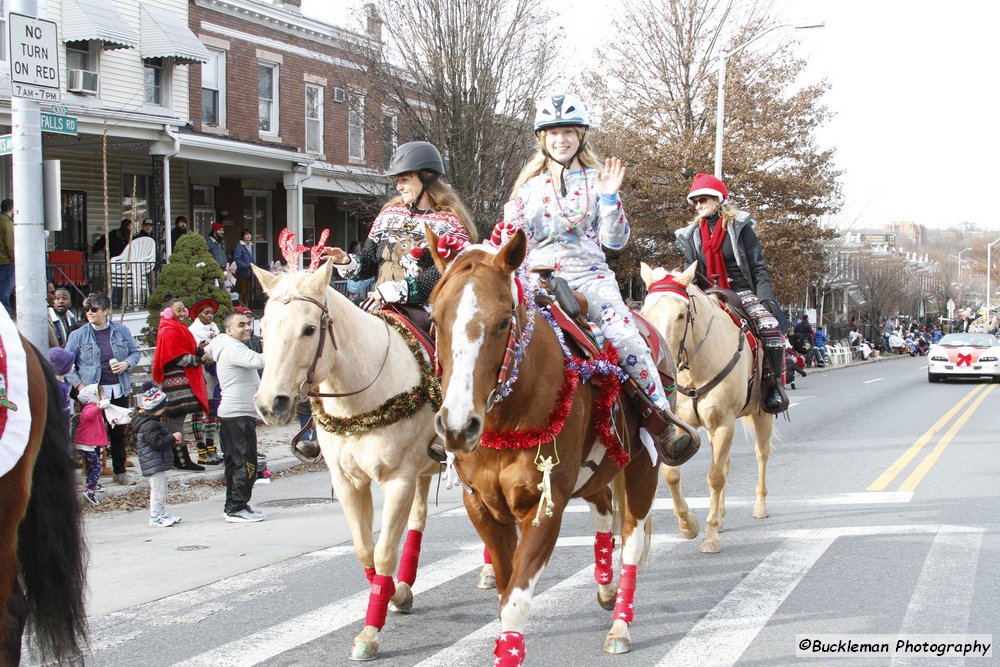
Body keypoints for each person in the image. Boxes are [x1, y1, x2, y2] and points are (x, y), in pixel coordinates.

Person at [502, 92, 697, 463]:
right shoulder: (526, 191)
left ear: (581, 136)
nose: (562, 139)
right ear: (542, 139)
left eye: (569, 132)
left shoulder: (597, 181)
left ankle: (662, 423)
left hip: (590, 278)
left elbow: (615, 241)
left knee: (627, 339)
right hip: (536, 282)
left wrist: (610, 199)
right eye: (554, 132)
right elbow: (515, 245)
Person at [675, 172, 790, 413]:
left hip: (740, 290)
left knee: (769, 326)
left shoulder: (739, 227)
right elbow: (691, 271)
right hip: (707, 293)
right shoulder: (691, 235)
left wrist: (765, 296)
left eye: (704, 199)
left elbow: (757, 265)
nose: (699, 205)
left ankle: (773, 385)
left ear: (718, 199)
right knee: (678, 325)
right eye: (695, 202)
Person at [322, 141, 477, 309]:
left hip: (427, 313)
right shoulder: (388, 215)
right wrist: (346, 261)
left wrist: (402, 290)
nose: (398, 187)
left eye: (404, 180)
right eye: (397, 180)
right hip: (379, 306)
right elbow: (368, 260)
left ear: (427, 178)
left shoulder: (450, 223)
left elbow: (448, 269)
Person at [64, 292, 140, 486]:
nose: (89, 313)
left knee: (118, 431)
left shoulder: (121, 331)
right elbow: (67, 364)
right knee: (92, 435)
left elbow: (135, 352)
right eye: (86, 309)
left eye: (94, 309)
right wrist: (80, 386)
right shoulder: (78, 335)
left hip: (118, 388)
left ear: (105, 311)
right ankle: (92, 475)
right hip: (93, 391)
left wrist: (126, 364)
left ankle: (119, 471)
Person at [206, 311, 267, 523]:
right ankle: (236, 508)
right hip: (237, 415)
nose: (248, 327)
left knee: (236, 463)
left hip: (237, 414)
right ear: (228, 330)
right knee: (246, 464)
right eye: (241, 324)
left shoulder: (226, 345)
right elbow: (260, 360)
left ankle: (234, 505)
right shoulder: (232, 347)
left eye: (249, 323)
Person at [152, 298, 209, 472]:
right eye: (178, 310)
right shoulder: (169, 329)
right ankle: (181, 459)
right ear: (168, 312)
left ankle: (174, 458)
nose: (183, 313)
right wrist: (198, 359)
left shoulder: (176, 327)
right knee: (175, 420)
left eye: (183, 309)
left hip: (180, 381)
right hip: (176, 383)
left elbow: (183, 350)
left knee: (174, 420)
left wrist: (197, 350)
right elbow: (176, 356)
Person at [132, 384, 183, 527]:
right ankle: (155, 516)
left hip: (156, 461)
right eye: (162, 407)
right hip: (154, 462)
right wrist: (173, 437)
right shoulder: (149, 425)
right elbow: (157, 443)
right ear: (156, 408)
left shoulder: (150, 421)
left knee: (162, 489)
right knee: (158, 490)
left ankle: (161, 513)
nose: (164, 410)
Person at [188, 296, 223, 464]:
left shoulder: (215, 329)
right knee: (198, 414)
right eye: (206, 312)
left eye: (212, 312)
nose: (210, 315)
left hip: (213, 377)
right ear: (198, 314)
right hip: (199, 375)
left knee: (211, 414)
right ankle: (201, 449)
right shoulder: (192, 332)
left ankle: (211, 447)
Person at [75, 385, 111, 506]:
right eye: (101, 395)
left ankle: (92, 484)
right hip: (86, 444)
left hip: (91, 443)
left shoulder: (96, 409)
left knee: (92, 465)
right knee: (96, 466)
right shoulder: (89, 408)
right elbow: (89, 415)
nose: (103, 397)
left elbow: (99, 427)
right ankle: (90, 491)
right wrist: (99, 406)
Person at [344, 240, 374, 304]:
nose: (360, 248)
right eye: (359, 246)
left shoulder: (353, 256)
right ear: (355, 247)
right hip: (356, 286)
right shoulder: (354, 257)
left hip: (353, 287)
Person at [234, 229, 256, 307]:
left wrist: (254, 265)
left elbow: (252, 258)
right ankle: (241, 307)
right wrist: (245, 265)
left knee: (248, 291)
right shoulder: (239, 246)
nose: (248, 236)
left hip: (249, 272)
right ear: (243, 236)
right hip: (242, 272)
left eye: (249, 234)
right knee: (241, 291)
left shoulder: (251, 245)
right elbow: (237, 259)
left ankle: (246, 307)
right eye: (246, 234)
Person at [0, 198, 14, 317]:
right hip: (6, 260)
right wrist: (13, 257)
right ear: (11, 208)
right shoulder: (7, 222)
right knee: (5, 289)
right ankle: (7, 314)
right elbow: (9, 242)